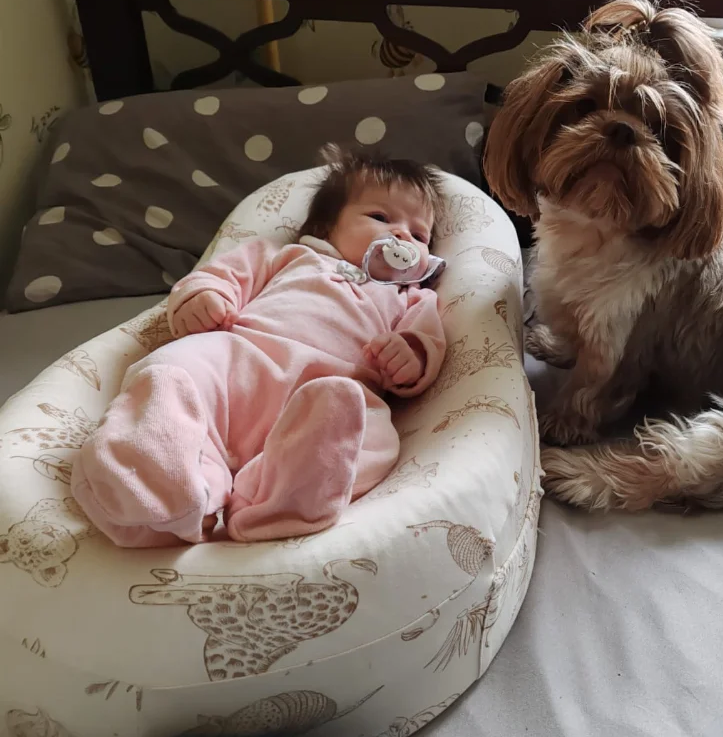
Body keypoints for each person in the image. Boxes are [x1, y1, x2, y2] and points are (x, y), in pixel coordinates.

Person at [71, 145, 447, 547]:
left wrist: (408, 356)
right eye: (380, 217)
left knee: (371, 436)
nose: (402, 235)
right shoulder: (289, 256)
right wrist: (205, 299)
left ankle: (276, 495)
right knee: (175, 368)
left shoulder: (410, 297)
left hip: (330, 390)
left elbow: (426, 341)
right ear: (325, 228)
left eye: (419, 235)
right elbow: (220, 275)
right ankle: (167, 480)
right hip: (242, 362)